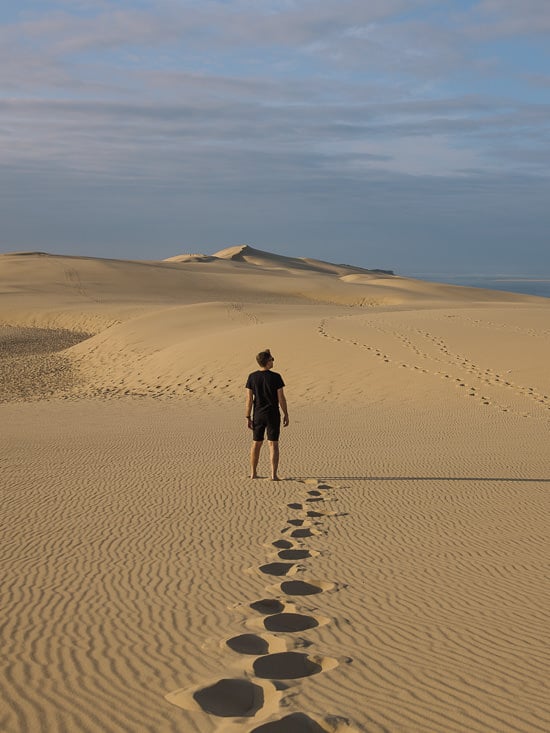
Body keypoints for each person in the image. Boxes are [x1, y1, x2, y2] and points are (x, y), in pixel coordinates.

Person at [245, 348, 289, 480]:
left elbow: (249, 399)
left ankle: (253, 473)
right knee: (273, 444)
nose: (273, 361)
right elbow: (281, 398)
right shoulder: (276, 377)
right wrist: (286, 413)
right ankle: (273, 475)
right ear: (267, 362)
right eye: (272, 359)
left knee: (256, 443)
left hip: (258, 414)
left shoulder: (252, 377)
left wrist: (247, 416)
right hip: (273, 414)